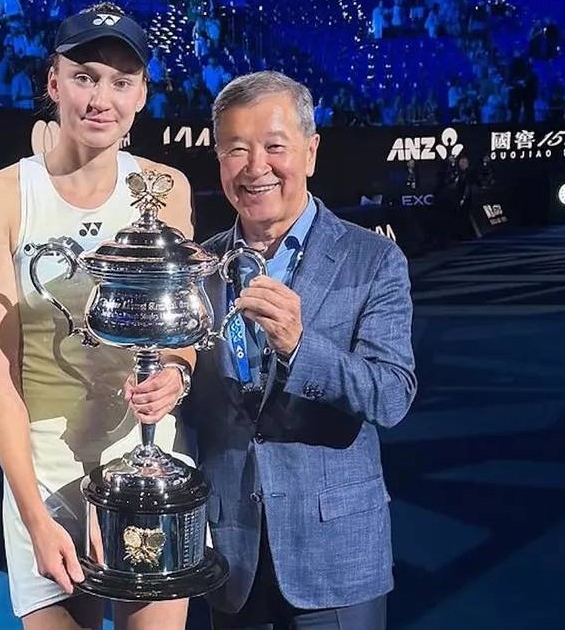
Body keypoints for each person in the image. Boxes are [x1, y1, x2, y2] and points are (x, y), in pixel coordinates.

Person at [0, 4, 195, 629]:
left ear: (141, 95)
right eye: (84, 76)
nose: (100, 99)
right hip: (44, 474)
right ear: (53, 82)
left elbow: (179, 328)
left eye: (121, 81)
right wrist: (34, 516)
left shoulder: (166, 189)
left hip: (147, 463)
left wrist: (176, 373)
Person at [183, 70, 417, 629]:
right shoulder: (200, 269)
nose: (255, 167)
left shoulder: (372, 259)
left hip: (336, 552)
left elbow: (392, 395)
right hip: (230, 555)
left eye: (274, 147)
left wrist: (300, 346)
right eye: (236, 149)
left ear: (310, 152)